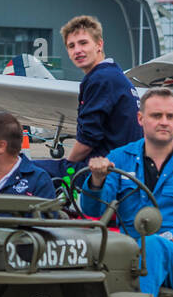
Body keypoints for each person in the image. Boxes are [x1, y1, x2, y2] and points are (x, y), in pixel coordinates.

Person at [80, 88, 173, 297]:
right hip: (126, 251)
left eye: (171, 116)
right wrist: (97, 180)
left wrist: (172, 236)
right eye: (156, 115)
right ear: (140, 118)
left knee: (152, 246)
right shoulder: (120, 158)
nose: (164, 122)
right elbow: (93, 209)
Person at [35, 15, 142, 184]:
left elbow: (88, 139)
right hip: (126, 171)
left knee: (24, 169)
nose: (77, 50)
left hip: (106, 172)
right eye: (71, 46)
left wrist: (68, 168)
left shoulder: (101, 78)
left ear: (99, 44)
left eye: (83, 43)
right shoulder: (116, 76)